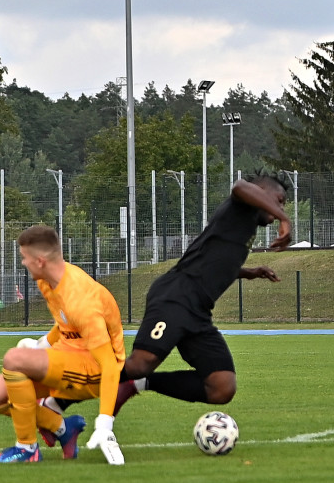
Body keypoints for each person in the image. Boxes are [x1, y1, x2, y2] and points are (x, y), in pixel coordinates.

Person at [105, 175, 291, 443]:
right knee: (140, 363)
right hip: (176, 295)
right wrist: (285, 219)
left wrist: (249, 272)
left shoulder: (245, 225)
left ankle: (138, 385)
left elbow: (215, 261)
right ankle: (60, 391)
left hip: (198, 311)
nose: (279, 210)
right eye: (279, 201)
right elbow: (239, 186)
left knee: (222, 387)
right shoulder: (240, 204)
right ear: (261, 191)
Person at [0, 225, 127, 464]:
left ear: (40, 261)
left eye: (24, 258)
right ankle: (63, 429)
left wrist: (105, 424)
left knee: (14, 359)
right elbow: (64, 324)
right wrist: (41, 346)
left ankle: (27, 449)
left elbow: (109, 364)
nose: (23, 263)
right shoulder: (47, 281)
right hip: (68, 355)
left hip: (94, 370)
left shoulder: (81, 300)